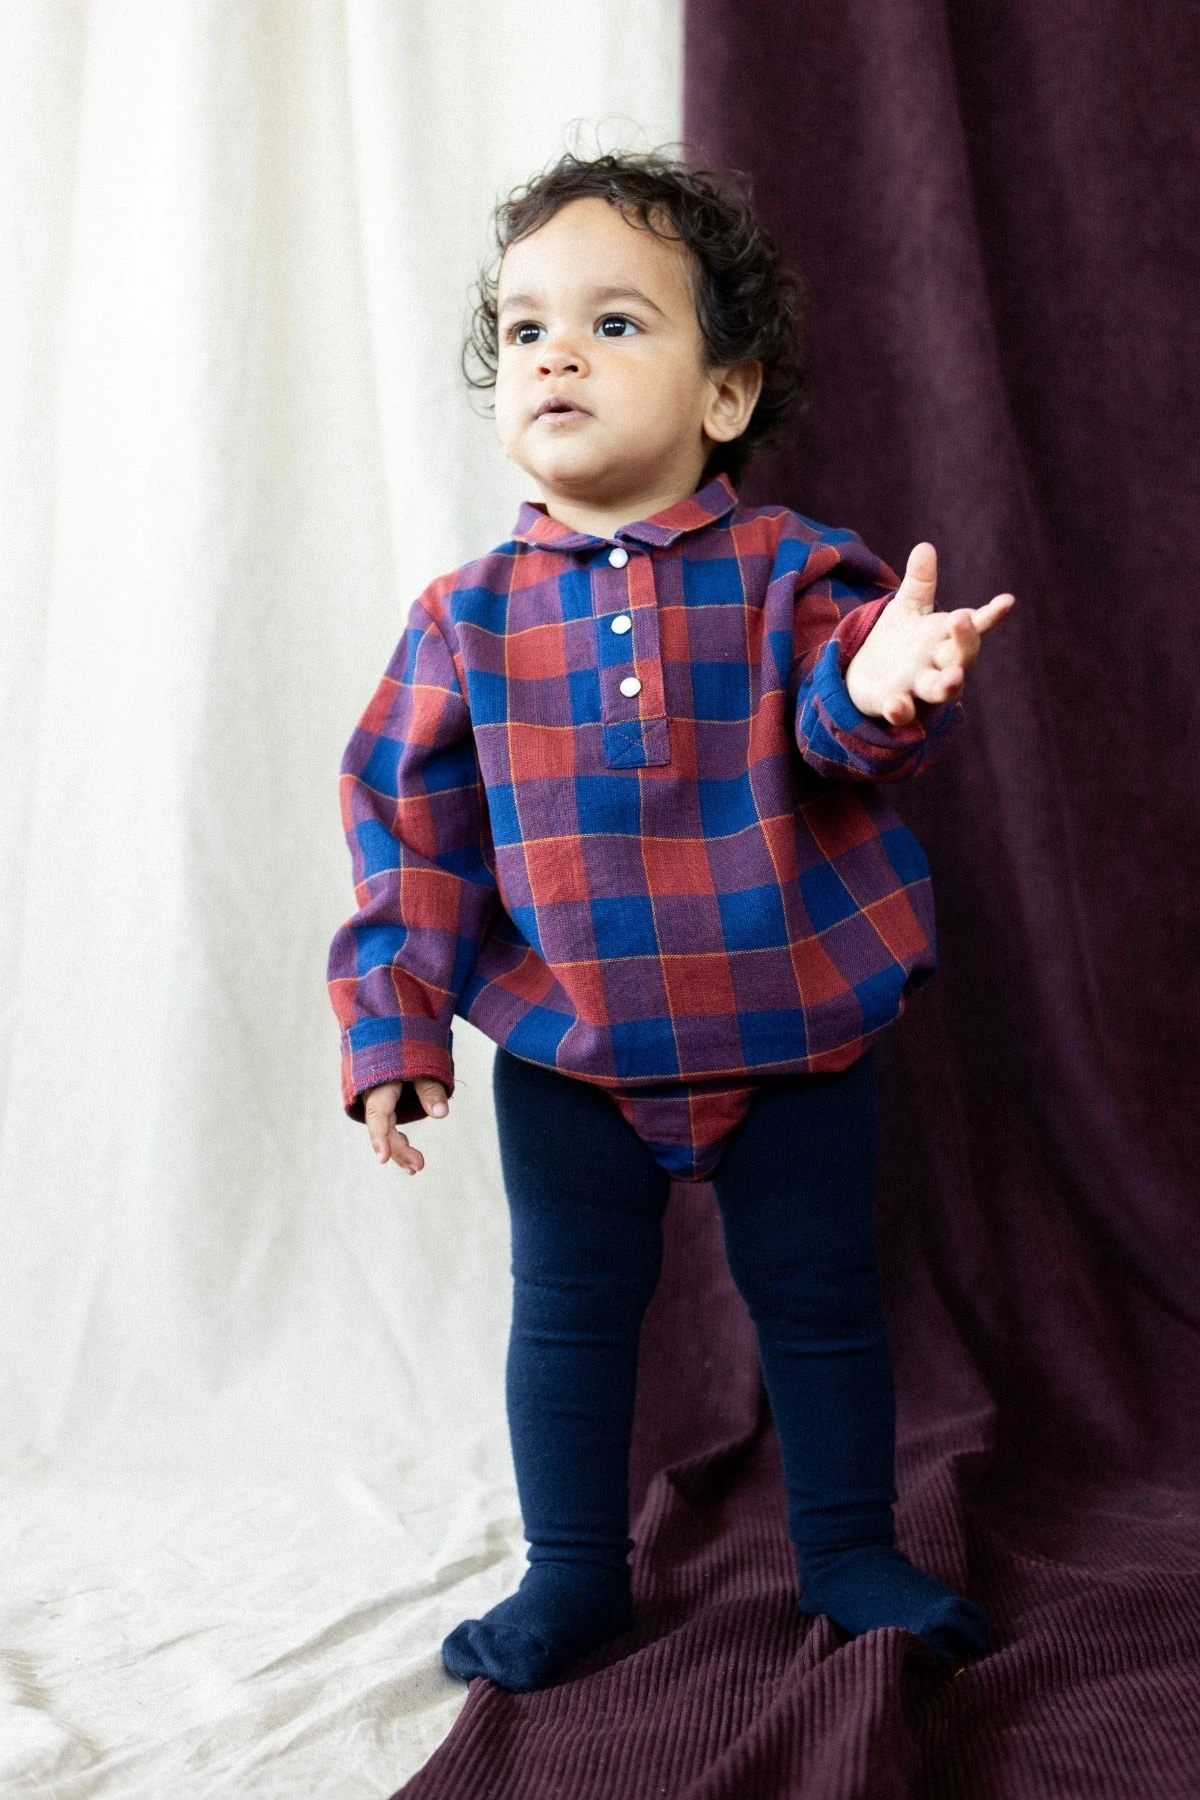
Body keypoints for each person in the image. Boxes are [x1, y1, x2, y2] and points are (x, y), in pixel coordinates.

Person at [326, 148, 1014, 1693]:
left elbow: (837, 706)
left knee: (823, 1308)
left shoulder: (790, 572)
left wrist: (882, 677)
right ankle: (574, 1573)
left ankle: (847, 1552)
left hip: (792, 1028)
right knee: (570, 1319)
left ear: (725, 392)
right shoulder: (463, 616)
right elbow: (409, 833)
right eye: (525, 329)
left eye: (615, 323)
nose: (556, 354)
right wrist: (392, 1024)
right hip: (573, 1050)